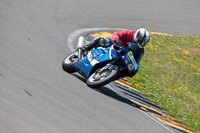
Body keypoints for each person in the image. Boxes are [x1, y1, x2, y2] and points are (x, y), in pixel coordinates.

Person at [81, 28, 150, 59]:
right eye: (141, 41)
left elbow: (137, 60)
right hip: (114, 46)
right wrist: (116, 40)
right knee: (102, 40)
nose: (141, 43)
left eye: (143, 42)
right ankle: (86, 48)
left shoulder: (141, 50)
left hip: (122, 57)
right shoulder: (129, 33)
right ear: (137, 36)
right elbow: (116, 34)